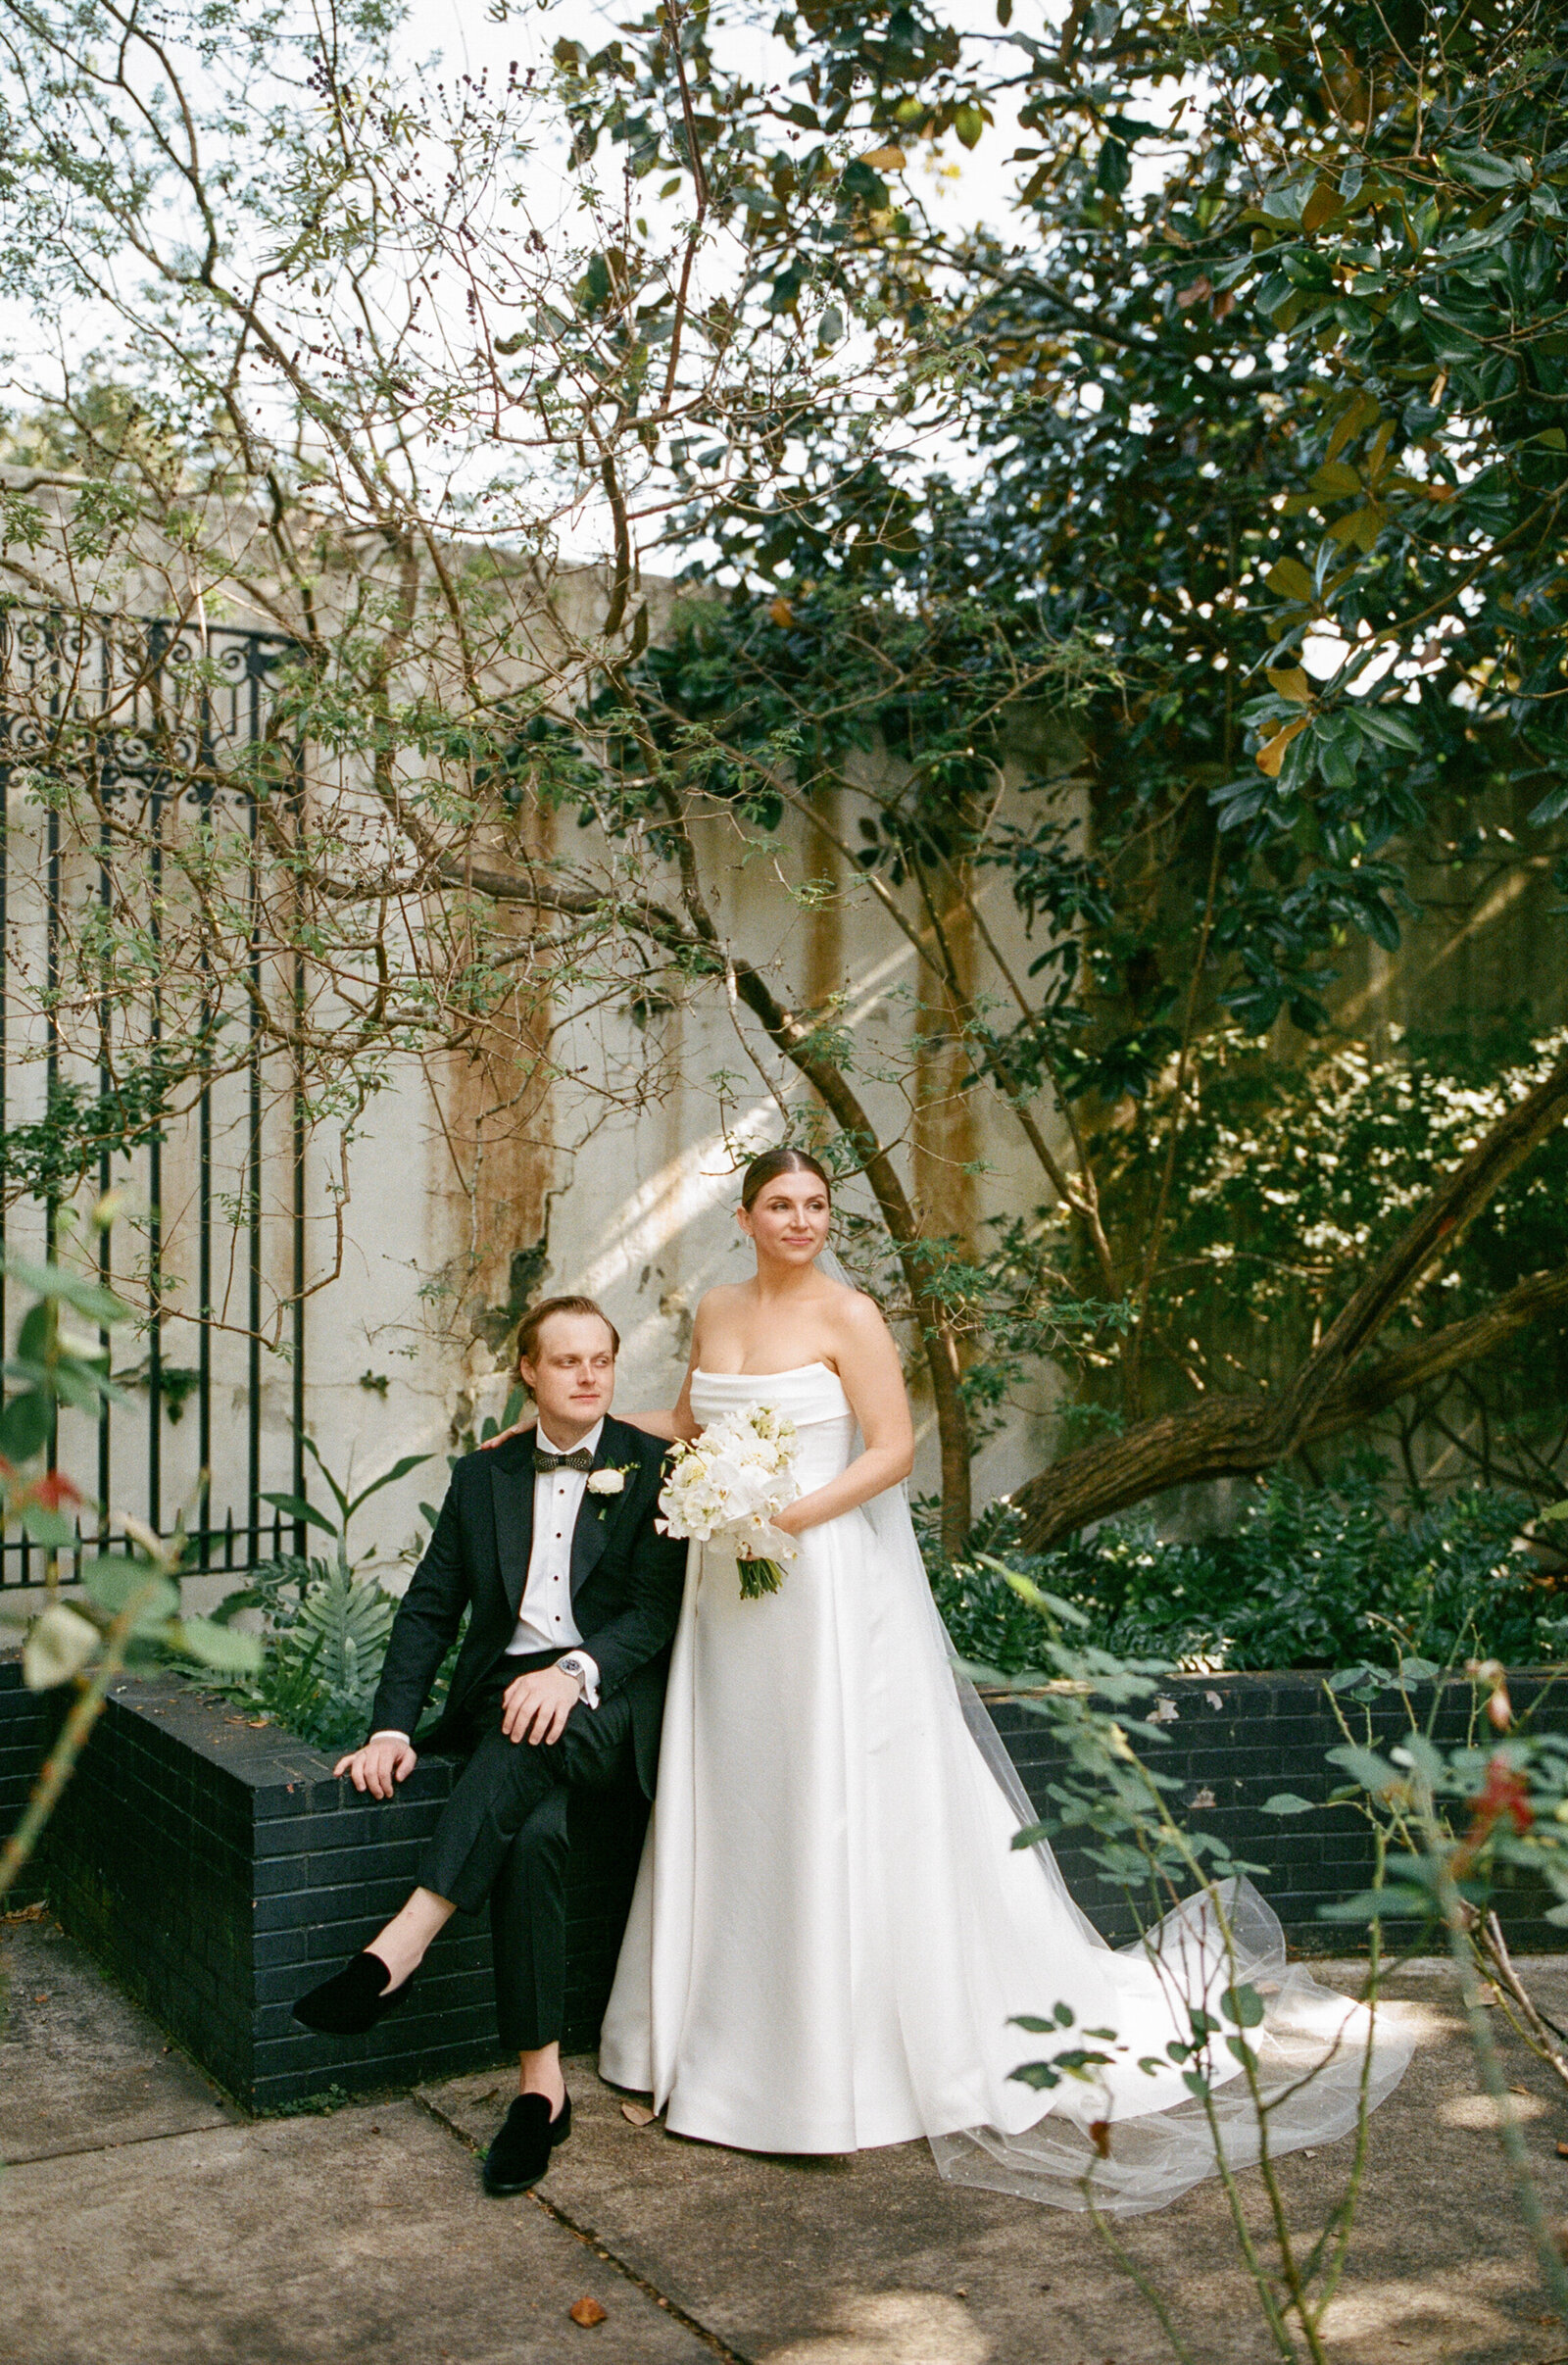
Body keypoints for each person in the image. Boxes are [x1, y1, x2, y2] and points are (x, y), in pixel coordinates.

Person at [582, 1145, 1413, 2212]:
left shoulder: (850, 1315)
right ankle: (715, 2040)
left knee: (831, 1795)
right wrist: (583, 1432)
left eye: (815, 1205)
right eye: (779, 1205)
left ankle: (826, 2068)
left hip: (819, 1577)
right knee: (744, 1797)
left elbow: (887, 1452)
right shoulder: (715, 1308)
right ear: (744, 1219)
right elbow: (696, 1427)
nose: (800, 1220)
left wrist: (784, 1515)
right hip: (729, 1593)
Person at [292, 1296, 686, 2197]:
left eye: (602, 1360)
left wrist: (574, 1669)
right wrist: (391, 1726)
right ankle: (540, 2090)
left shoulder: (657, 1468)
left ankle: (402, 1943)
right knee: (533, 1830)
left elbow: (655, 1615)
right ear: (530, 1375)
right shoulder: (484, 1477)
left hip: (609, 1695)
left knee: (529, 1716)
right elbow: (431, 1605)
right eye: (568, 1362)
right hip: (506, 1703)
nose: (589, 1376)